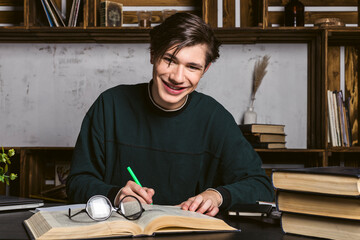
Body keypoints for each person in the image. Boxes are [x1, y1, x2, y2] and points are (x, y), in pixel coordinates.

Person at [66, 12, 274, 217]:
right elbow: (77, 182)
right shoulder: (109, 105)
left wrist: (216, 195)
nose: (177, 77)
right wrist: (117, 195)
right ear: (153, 54)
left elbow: (261, 186)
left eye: (192, 67)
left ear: (205, 69)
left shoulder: (216, 119)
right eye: (170, 60)